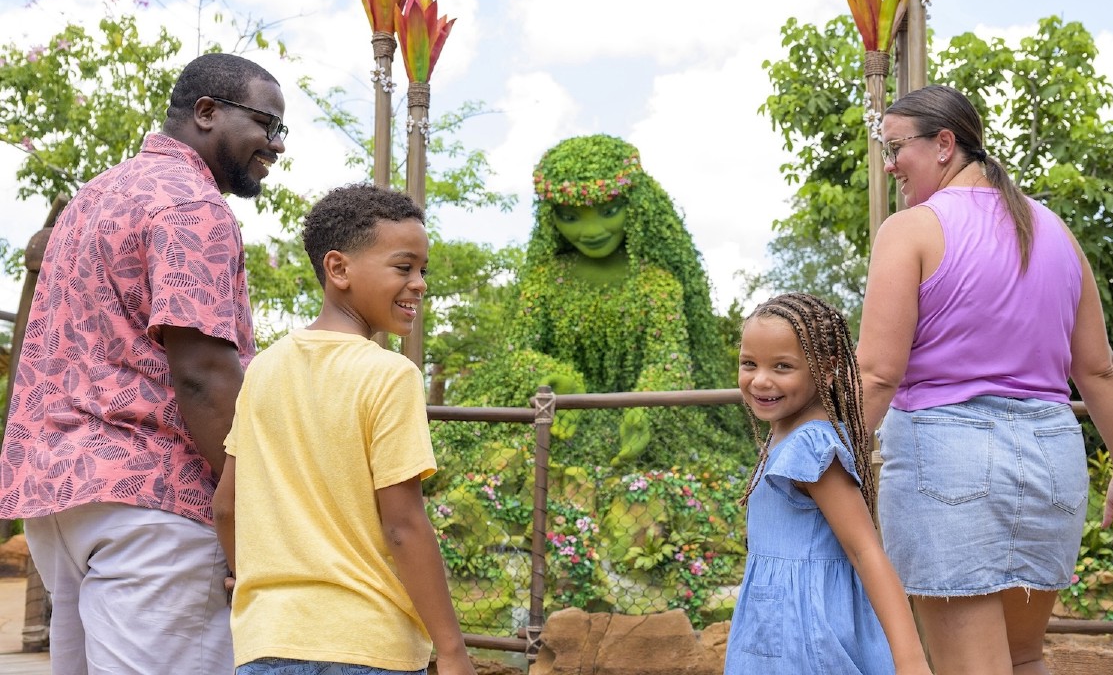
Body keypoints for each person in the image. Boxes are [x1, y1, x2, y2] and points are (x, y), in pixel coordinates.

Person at [0, 52, 286, 673]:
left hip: (58, 499)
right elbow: (204, 375)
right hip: (154, 505)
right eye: (267, 123)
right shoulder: (193, 206)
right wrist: (259, 509)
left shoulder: (94, 197)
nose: (276, 145)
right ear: (207, 112)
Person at [857, 84, 1113, 674]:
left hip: (947, 460)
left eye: (896, 148)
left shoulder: (910, 229)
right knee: (1023, 660)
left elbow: (877, 372)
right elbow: (1097, 370)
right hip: (1052, 461)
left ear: (944, 144)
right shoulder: (1055, 232)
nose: (890, 164)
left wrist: (822, 456)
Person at [213, 184, 476, 675]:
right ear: (339, 269)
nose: (419, 283)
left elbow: (226, 506)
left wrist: (256, 587)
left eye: (423, 270)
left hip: (268, 642)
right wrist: (454, 651)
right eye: (404, 267)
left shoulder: (264, 370)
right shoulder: (390, 375)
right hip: (369, 646)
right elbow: (403, 526)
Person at [451, 134, 741, 466]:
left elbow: (669, 361)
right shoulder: (544, 279)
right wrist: (560, 378)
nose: (591, 230)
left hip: (638, 443)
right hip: (552, 427)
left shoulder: (658, 285)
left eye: (609, 211)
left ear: (636, 206)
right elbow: (518, 352)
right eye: (571, 217)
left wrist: (644, 406)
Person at [724, 293, 931, 675]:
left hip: (806, 638)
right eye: (748, 363)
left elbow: (865, 551)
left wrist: (910, 662)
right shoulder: (784, 434)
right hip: (777, 629)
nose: (761, 380)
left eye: (782, 366)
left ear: (826, 369)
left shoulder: (811, 446)